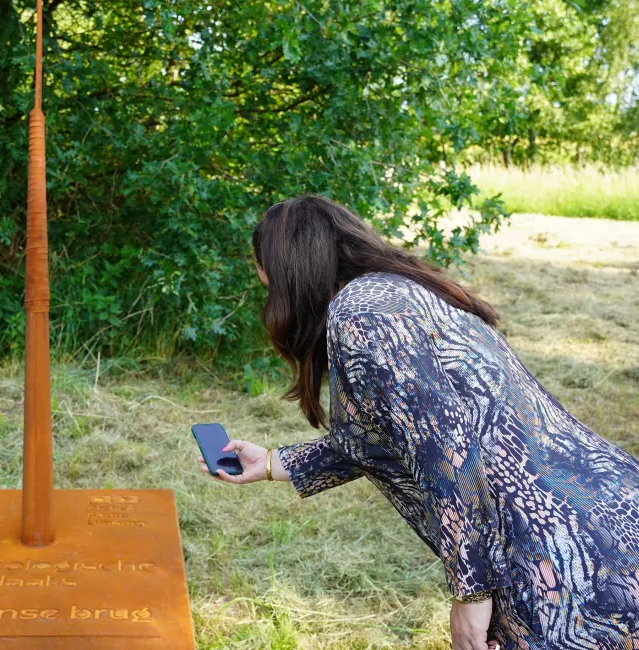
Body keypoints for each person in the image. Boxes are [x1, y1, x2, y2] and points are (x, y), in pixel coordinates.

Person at [196, 195, 639, 650]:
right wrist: (272, 462)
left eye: (262, 270)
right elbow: (388, 435)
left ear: (282, 268)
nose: (263, 282)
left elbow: (446, 449)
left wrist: (472, 593)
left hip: (567, 561)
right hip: (609, 514)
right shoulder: (399, 290)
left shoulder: (361, 317)